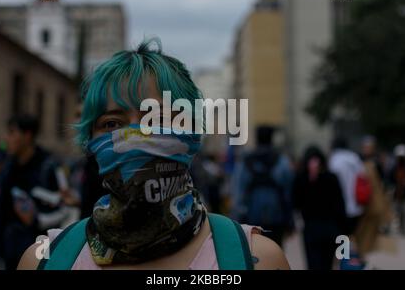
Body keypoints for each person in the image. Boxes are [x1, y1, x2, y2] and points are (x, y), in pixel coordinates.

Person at [17, 38, 290, 270]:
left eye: (156, 118)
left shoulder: (257, 260)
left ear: (192, 133)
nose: (136, 135)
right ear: (90, 142)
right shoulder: (44, 260)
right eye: (112, 124)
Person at [0, 115, 71, 270]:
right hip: (9, 253)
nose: (6, 138)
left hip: (40, 247)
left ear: (27, 135)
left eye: (12, 133)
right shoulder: (8, 170)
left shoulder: (50, 166)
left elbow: (65, 208)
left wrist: (37, 219)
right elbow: (0, 214)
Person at [231, 126, 294, 248]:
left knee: (253, 255)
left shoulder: (245, 162)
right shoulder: (282, 161)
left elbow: (238, 192)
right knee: (276, 252)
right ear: (272, 139)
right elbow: (288, 192)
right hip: (276, 218)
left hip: (251, 218)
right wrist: (289, 218)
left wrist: (237, 217)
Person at [293, 146, 346, 270]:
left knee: (313, 263)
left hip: (311, 228)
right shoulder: (332, 178)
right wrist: (343, 230)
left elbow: (296, 203)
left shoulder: (300, 179)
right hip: (330, 227)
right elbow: (340, 205)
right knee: (327, 264)